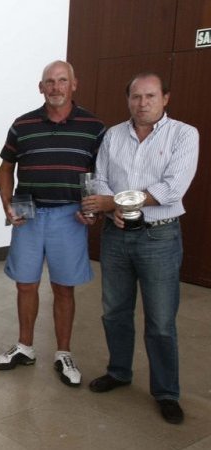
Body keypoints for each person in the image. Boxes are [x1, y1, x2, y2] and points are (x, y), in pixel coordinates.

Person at [86, 72, 198, 424]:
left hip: (159, 237)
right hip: (116, 236)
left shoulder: (184, 134)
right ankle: (119, 372)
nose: (142, 103)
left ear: (166, 98)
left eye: (150, 96)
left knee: (161, 321)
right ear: (128, 99)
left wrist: (116, 203)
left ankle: (166, 392)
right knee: (114, 312)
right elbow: (100, 176)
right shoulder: (113, 135)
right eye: (136, 96)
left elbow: (172, 187)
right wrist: (115, 208)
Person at [0, 61, 105, 386]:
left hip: (70, 214)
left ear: (74, 84)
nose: (55, 88)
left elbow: (100, 174)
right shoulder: (22, 125)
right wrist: (6, 202)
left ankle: (63, 352)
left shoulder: (93, 126)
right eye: (49, 82)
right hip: (28, 212)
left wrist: (93, 209)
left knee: (63, 287)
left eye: (61, 81)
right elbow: (5, 168)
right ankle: (25, 347)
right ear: (41, 87)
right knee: (25, 284)